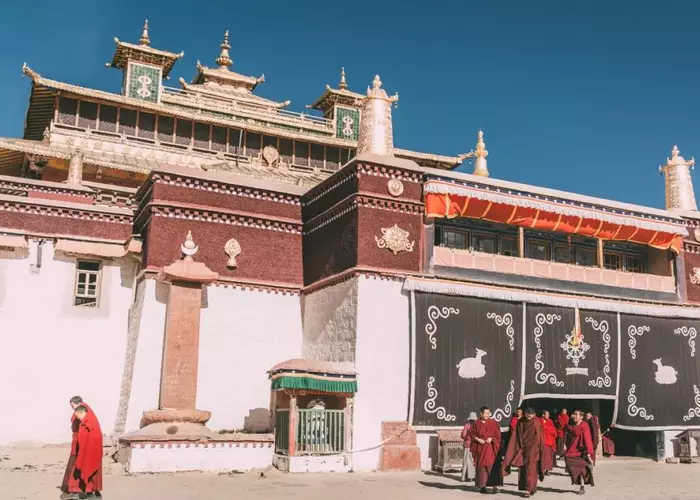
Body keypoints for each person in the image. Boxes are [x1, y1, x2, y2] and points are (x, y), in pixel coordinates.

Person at [502, 407, 544, 498]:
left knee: (531, 470)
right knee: (524, 470)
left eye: (531, 415)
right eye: (527, 414)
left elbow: (540, 436)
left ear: (534, 415)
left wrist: (541, 448)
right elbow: (516, 435)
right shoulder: (520, 421)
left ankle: (528, 490)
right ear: (524, 414)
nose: (529, 416)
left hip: (534, 450)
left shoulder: (537, 422)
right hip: (523, 449)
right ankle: (531, 487)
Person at [61, 396, 98, 499]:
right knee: (76, 467)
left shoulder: (86, 414)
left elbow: (87, 432)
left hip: (82, 446)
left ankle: (74, 491)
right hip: (79, 445)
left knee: (76, 467)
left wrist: (81, 447)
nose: (73, 410)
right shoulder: (84, 413)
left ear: (78, 403)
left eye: (73, 406)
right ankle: (76, 490)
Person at [69, 405, 103, 499]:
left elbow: (94, 438)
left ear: (81, 412)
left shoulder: (90, 422)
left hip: (91, 452)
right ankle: (91, 493)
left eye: (78, 416)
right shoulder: (85, 421)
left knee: (90, 471)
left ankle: (91, 493)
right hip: (87, 451)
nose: (78, 418)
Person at [470, 406, 502, 494]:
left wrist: (492, 438)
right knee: (481, 468)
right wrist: (477, 439)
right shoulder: (476, 423)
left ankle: (495, 486)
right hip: (480, 448)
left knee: (492, 466)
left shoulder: (492, 423)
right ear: (481, 413)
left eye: (489, 413)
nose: (488, 415)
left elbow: (498, 434)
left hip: (490, 449)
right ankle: (482, 486)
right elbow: (471, 434)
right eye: (486, 413)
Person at [565, 409, 595, 496]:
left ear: (581, 417)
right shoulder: (571, 425)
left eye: (576, 414)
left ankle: (582, 487)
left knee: (581, 469)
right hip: (572, 449)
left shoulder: (584, 426)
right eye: (574, 414)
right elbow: (568, 434)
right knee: (567, 458)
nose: (574, 416)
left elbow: (587, 439)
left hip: (581, 450)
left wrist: (589, 453)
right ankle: (587, 465)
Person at [460, 412, 477, 482]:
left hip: (467, 444)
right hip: (474, 445)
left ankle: (463, 477)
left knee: (465, 461)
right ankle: (471, 477)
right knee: (472, 461)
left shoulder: (467, 425)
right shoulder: (477, 426)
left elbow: (463, 435)